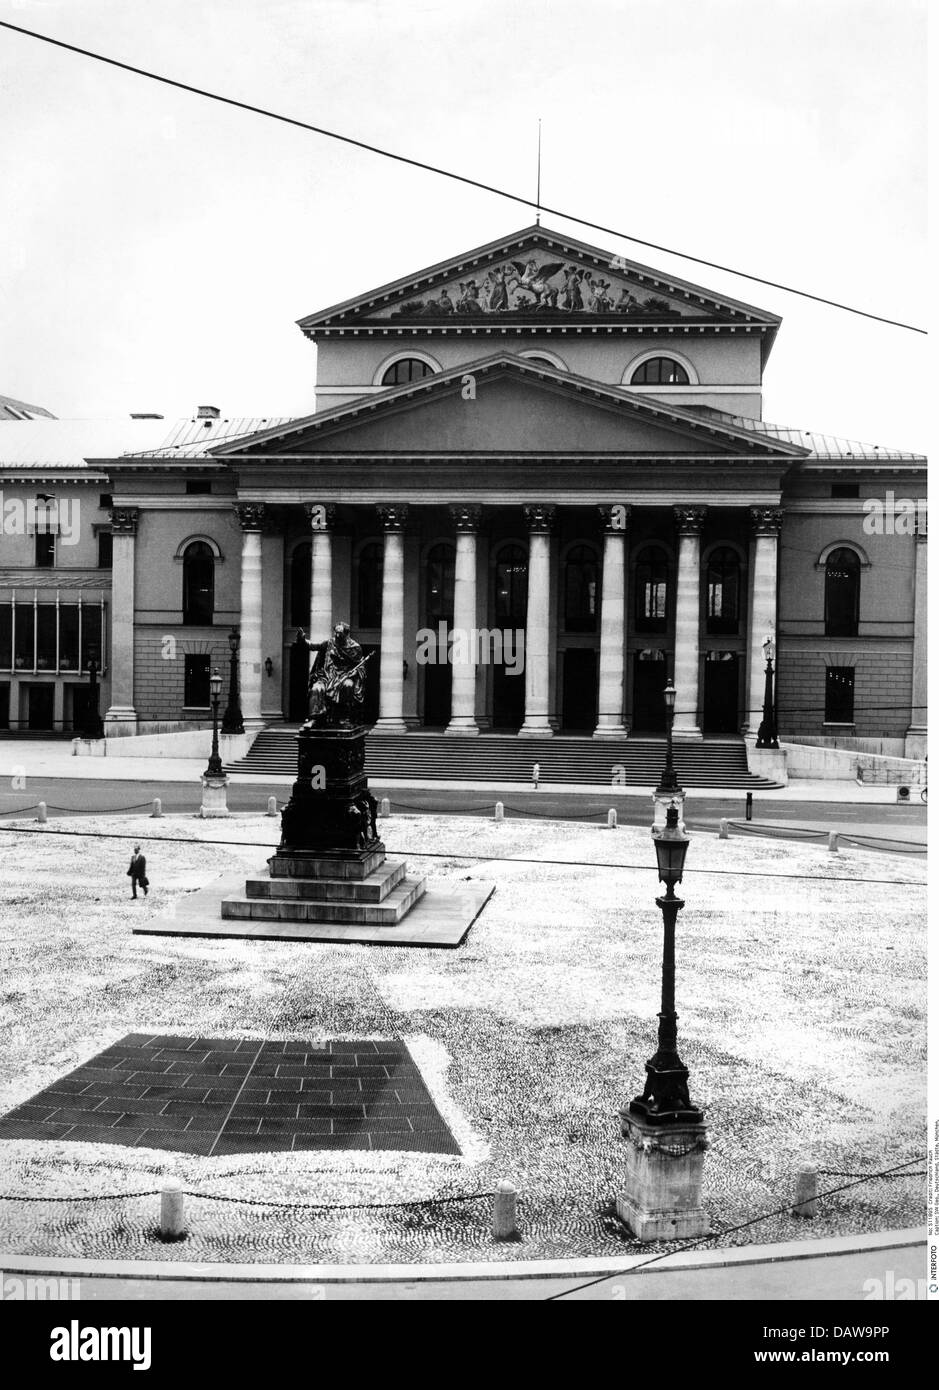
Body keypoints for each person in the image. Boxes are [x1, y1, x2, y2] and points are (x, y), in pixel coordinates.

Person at [297, 621, 368, 726]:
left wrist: (355, 673)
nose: (337, 635)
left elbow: (361, 666)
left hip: (344, 676)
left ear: (346, 634)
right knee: (316, 688)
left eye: (340, 633)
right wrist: (302, 640)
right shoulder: (329, 643)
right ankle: (315, 718)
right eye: (336, 632)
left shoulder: (355, 648)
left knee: (348, 685)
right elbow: (312, 646)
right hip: (327, 676)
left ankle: (343, 718)